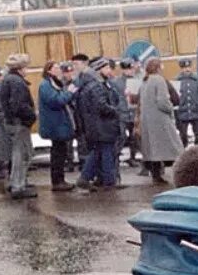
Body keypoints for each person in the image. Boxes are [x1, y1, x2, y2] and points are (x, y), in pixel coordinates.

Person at [75, 57, 124, 189]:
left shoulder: (94, 83)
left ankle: (87, 178)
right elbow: (101, 106)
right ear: (99, 69)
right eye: (106, 67)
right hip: (102, 125)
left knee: (98, 152)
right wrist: (115, 111)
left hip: (97, 125)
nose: (109, 70)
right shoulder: (96, 85)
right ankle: (108, 180)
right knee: (106, 151)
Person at [0, 53, 38, 199]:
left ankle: (15, 183)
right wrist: (32, 116)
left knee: (19, 154)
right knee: (22, 155)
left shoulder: (8, 79)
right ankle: (18, 186)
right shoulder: (17, 82)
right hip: (19, 123)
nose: (27, 70)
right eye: (26, 67)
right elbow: (19, 105)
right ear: (21, 68)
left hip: (12, 122)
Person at [137, 57, 183, 182]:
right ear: (158, 67)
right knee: (175, 147)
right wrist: (170, 109)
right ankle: (182, 173)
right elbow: (162, 101)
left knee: (153, 150)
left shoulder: (145, 81)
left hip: (147, 121)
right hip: (160, 120)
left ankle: (156, 175)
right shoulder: (159, 80)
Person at [37, 62, 78, 191]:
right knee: (58, 153)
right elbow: (56, 101)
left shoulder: (54, 83)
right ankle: (57, 181)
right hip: (55, 124)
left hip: (59, 123)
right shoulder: (45, 85)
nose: (59, 70)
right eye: (56, 68)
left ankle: (60, 180)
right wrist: (69, 93)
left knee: (60, 152)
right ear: (49, 71)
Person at [111, 58, 139, 170]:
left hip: (133, 112)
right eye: (128, 69)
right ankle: (115, 157)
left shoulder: (137, 81)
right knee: (121, 136)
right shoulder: (116, 82)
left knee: (134, 137)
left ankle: (132, 157)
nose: (130, 71)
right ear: (123, 70)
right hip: (121, 113)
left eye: (131, 69)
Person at [173, 58, 198, 147]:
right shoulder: (177, 81)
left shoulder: (196, 80)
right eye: (184, 67)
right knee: (183, 136)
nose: (187, 69)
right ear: (181, 69)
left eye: (188, 67)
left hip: (195, 111)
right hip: (183, 112)